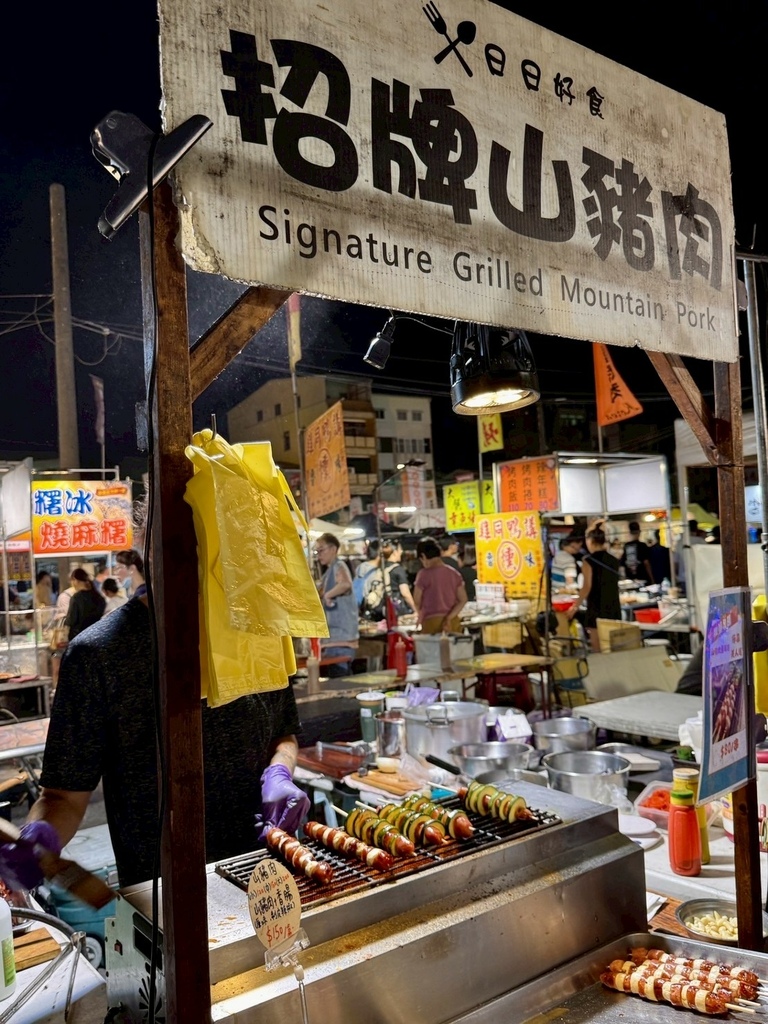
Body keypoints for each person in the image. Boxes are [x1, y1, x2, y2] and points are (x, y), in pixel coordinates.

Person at [0, 583, 309, 891]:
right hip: (160, 893)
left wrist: (279, 771)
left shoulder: (259, 630)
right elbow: (63, 797)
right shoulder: (97, 653)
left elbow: (283, 733)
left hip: (266, 876)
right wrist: (37, 840)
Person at [566, 526, 621, 651]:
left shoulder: (588, 561)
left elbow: (587, 586)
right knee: (613, 647)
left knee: (598, 648)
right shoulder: (614, 560)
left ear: (590, 541)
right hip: (613, 606)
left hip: (597, 607)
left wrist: (575, 607)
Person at [316, 532, 359, 677]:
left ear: (333, 549)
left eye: (321, 550)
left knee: (340, 679)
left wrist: (327, 595)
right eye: (317, 551)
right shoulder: (328, 573)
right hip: (334, 639)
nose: (319, 555)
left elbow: (345, 584)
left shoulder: (339, 565)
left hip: (341, 639)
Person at [413, 538, 467, 634]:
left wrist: (420, 613)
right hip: (452, 622)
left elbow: (417, 600)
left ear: (423, 556)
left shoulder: (423, 574)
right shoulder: (454, 573)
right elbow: (463, 599)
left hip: (431, 623)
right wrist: (449, 617)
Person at [64, 568, 106, 641]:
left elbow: (71, 621)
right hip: (96, 637)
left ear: (76, 580)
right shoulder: (99, 598)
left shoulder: (77, 598)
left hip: (79, 638)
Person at [381, 539, 417, 616]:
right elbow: (405, 593)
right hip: (397, 607)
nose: (401, 551)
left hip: (384, 606)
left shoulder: (381, 567)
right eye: (400, 549)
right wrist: (415, 609)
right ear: (394, 552)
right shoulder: (398, 569)